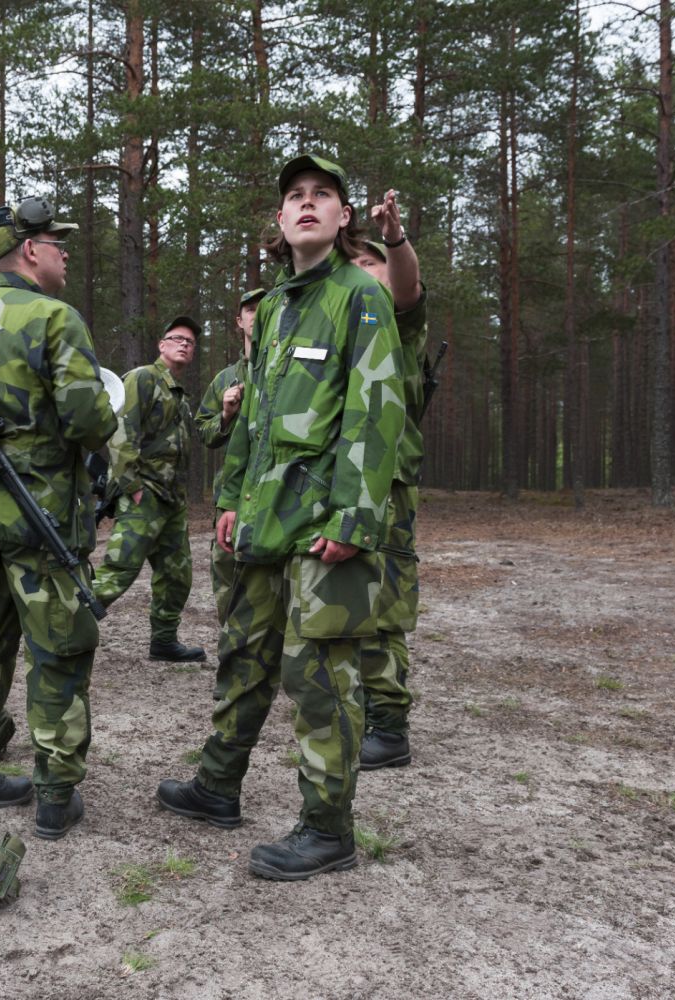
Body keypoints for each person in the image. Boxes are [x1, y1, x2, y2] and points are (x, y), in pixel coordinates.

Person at [155, 154, 405, 881]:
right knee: (245, 656)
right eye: (294, 195)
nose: (306, 204)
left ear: (342, 216)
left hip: (323, 523)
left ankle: (327, 831)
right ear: (280, 217)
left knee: (319, 675)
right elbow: (255, 418)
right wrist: (231, 496)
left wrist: (354, 517)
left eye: (321, 195)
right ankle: (216, 786)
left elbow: (375, 411)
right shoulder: (272, 309)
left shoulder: (361, 296)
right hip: (264, 518)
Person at [0, 196, 116, 841]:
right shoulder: (55, 318)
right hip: (40, 518)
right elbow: (89, 420)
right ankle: (55, 794)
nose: (65, 255)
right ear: (31, 251)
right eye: (58, 245)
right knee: (59, 649)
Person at [349, 189, 428, 771]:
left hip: (386, 482)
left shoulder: (395, 319)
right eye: (353, 263)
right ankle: (357, 708)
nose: (362, 271)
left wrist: (393, 240)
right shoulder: (341, 322)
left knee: (383, 603)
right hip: (337, 480)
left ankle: (389, 725)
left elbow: (406, 286)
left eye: (369, 262)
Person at [91, 317, 205, 662]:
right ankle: (62, 630)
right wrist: (132, 485)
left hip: (171, 500)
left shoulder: (179, 395)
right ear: (161, 345)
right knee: (119, 570)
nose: (184, 344)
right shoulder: (143, 378)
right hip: (144, 493)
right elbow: (121, 430)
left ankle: (164, 641)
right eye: (177, 338)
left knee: (177, 575)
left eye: (190, 342)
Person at [194, 287, 265, 624]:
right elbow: (204, 433)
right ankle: (233, 644)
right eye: (250, 310)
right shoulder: (226, 379)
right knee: (229, 576)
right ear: (239, 321)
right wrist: (225, 415)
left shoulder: (289, 369)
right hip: (234, 494)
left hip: (278, 491)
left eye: (263, 309)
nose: (257, 315)